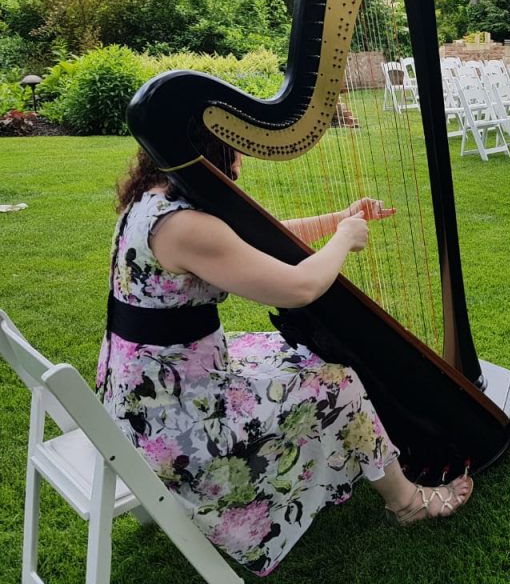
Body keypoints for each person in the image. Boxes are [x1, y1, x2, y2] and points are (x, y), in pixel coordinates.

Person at [97, 134, 472, 577]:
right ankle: (407, 502)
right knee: (338, 384)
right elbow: (299, 289)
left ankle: (357, 454)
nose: (241, 157)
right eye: (234, 145)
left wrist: (338, 218)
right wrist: (345, 239)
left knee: (291, 351)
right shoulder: (186, 226)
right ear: (212, 151)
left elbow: (249, 244)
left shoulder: (153, 199)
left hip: (140, 395)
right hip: (179, 426)